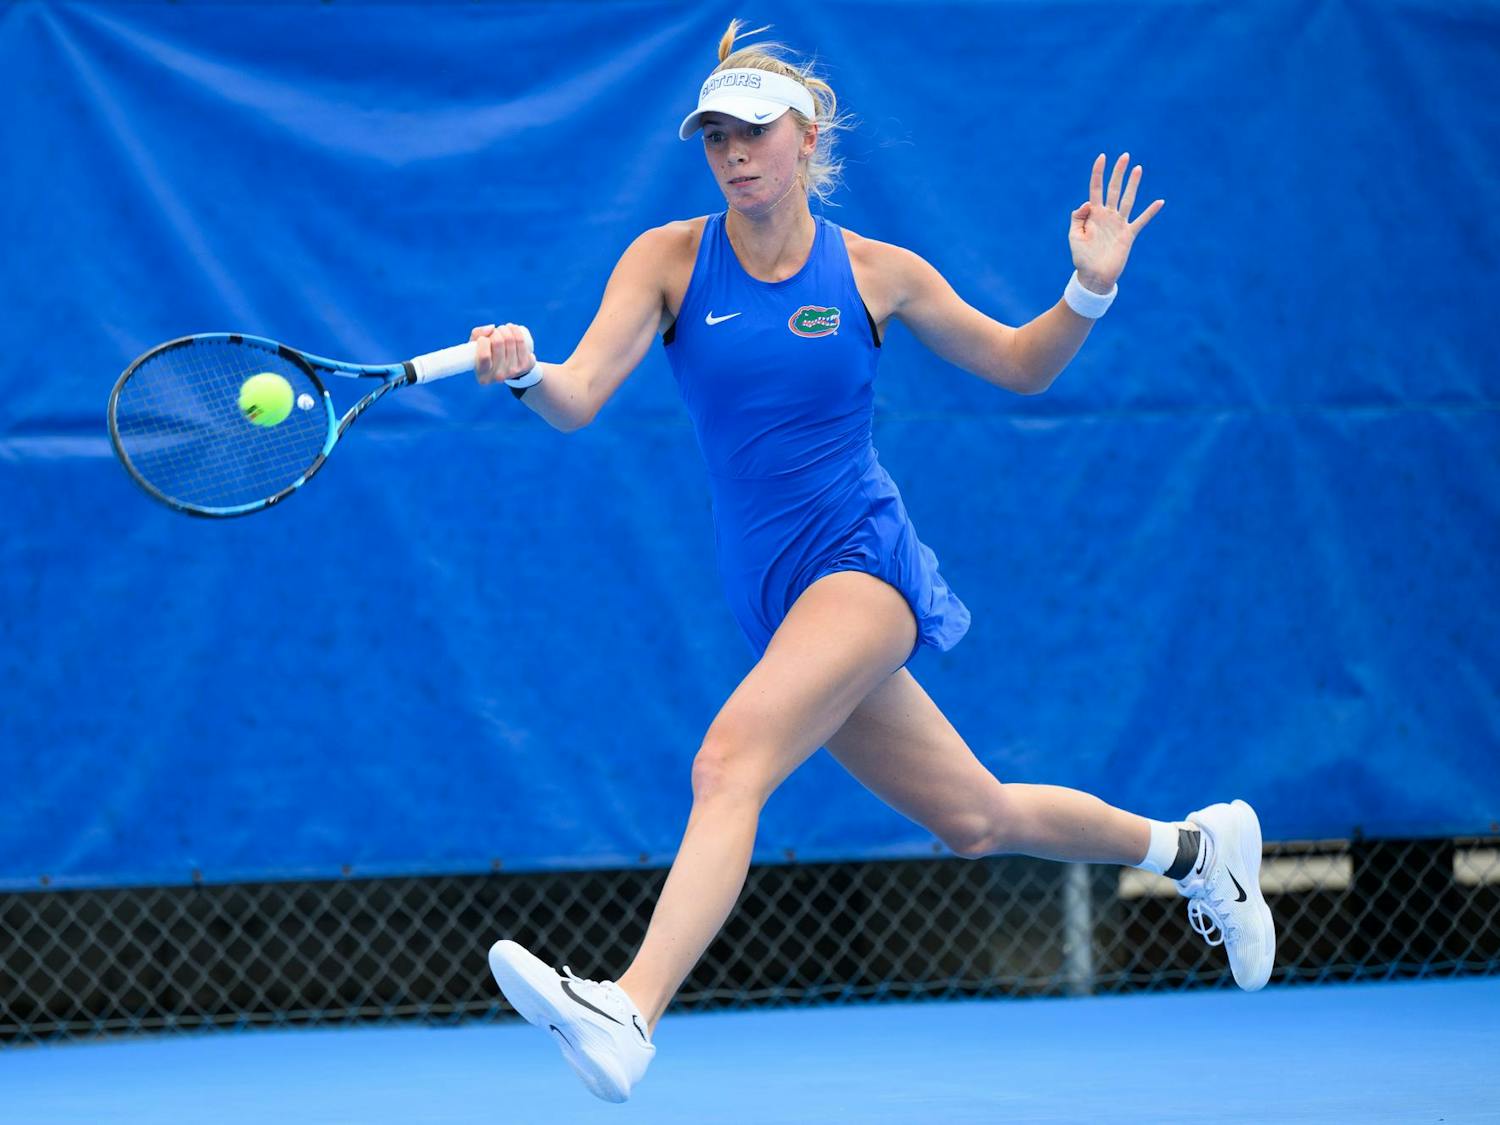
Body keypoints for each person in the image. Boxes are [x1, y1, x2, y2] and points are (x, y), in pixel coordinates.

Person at [476, 20, 1275, 1104]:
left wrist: (1087, 289)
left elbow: (1021, 365)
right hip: (772, 597)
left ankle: (629, 1008)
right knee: (976, 819)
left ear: (806, 138)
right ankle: (1197, 852)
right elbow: (575, 400)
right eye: (715, 137)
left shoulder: (875, 274)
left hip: (861, 566)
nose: (733, 153)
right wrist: (527, 373)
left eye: (754, 132)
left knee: (728, 764)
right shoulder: (663, 261)